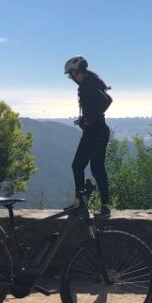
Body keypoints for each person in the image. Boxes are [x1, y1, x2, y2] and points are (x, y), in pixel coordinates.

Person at [64, 56, 113, 218]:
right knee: (94, 167)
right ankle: (101, 205)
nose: (71, 78)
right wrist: (88, 119)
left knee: (80, 166)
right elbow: (106, 100)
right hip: (97, 131)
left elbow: (105, 100)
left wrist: (90, 119)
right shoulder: (91, 83)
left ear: (77, 72)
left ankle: (81, 203)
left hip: (95, 132)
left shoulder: (88, 85)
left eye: (71, 74)